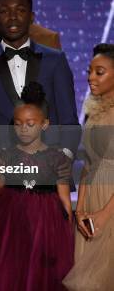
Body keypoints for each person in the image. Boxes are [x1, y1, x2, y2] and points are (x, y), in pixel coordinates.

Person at [0, 0, 79, 153]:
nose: (13, 17)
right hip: (0, 169)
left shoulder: (55, 60)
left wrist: (65, 159)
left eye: (20, 10)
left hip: (50, 169)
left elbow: (69, 120)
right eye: (5, 12)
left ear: (31, 16)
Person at [0, 82, 73, 291]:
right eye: (17, 123)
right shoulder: (3, 157)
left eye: (30, 123)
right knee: (11, 274)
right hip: (11, 227)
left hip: (46, 227)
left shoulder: (57, 158)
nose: (23, 129)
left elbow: (64, 202)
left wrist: (68, 236)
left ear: (44, 124)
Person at [64, 43, 114, 291]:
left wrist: (105, 215)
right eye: (89, 71)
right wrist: (81, 210)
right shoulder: (92, 111)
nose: (91, 77)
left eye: (100, 71)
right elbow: (88, 165)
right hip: (90, 205)